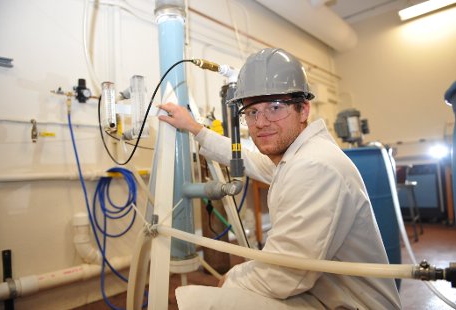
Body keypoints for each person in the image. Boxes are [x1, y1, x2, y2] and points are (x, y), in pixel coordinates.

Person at [159, 48, 401, 309]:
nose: (261, 122)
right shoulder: (297, 156)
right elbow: (250, 159)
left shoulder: (314, 167)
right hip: (326, 293)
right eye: (252, 112)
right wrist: (195, 129)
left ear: (304, 109)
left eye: (275, 107)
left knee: (206, 301)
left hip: (350, 304)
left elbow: (284, 275)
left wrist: (231, 279)